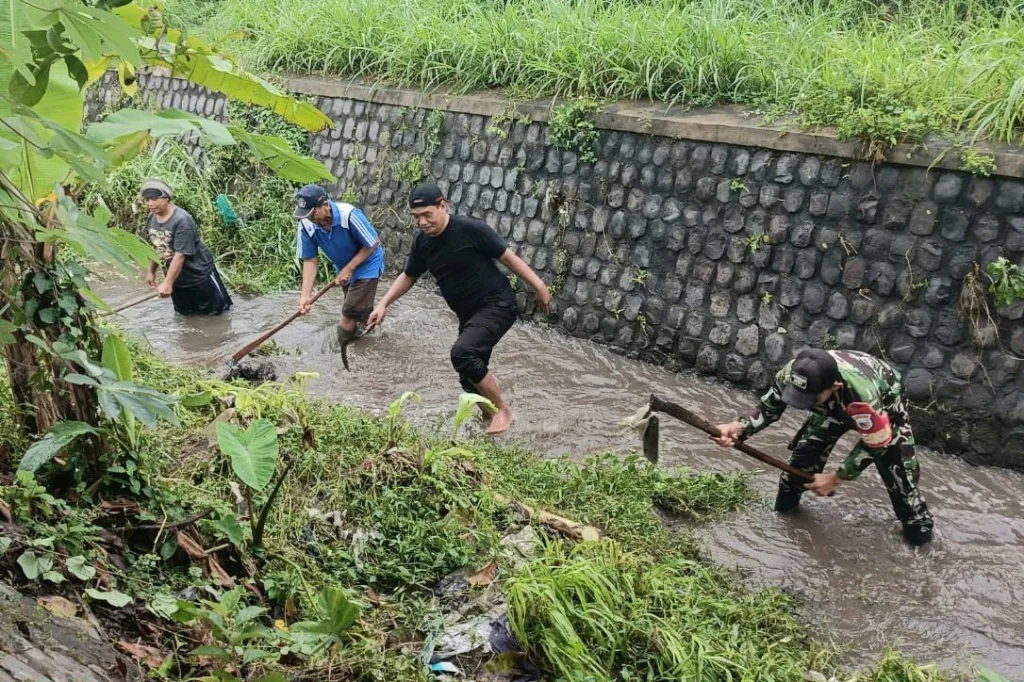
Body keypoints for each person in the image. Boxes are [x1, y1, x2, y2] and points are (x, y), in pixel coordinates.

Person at [366, 182, 551, 435]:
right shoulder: (423, 243)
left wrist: (539, 286)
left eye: (427, 214)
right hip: (469, 315)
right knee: (468, 377)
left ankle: (504, 412)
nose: (422, 222)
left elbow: (508, 258)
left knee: (463, 352)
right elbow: (409, 276)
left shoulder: (470, 229)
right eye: (416, 217)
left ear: (443, 206)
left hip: (497, 304)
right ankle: (491, 419)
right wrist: (383, 304)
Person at [712, 348, 934, 546]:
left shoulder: (863, 396)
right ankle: (785, 522)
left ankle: (921, 544)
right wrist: (738, 427)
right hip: (831, 410)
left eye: (808, 398)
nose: (801, 401)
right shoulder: (794, 373)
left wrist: (836, 478)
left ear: (834, 387)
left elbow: (877, 442)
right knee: (799, 466)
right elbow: (769, 408)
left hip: (884, 411)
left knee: (901, 481)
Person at [293, 184, 385, 346]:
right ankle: (373, 340)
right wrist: (305, 296)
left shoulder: (348, 215)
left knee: (347, 315)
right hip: (343, 269)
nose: (309, 218)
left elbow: (372, 243)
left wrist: (349, 268)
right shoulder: (306, 226)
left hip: (367, 265)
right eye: (305, 215)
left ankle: (341, 351)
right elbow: (310, 260)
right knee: (358, 313)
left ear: (326, 205)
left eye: (312, 213)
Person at [142, 179, 233, 316]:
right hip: (177, 279)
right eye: (147, 200)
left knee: (216, 314)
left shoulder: (182, 220)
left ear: (167, 198)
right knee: (185, 315)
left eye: (154, 199)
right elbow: (157, 246)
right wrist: (151, 271)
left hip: (199, 276)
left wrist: (167, 283)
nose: (150, 204)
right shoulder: (152, 217)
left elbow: (180, 256)